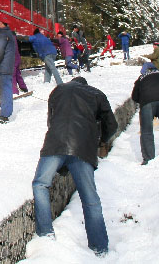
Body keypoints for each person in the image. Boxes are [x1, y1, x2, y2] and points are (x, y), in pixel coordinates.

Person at [32, 76, 118, 255]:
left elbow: (51, 120)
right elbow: (112, 125)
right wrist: (102, 141)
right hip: (83, 148)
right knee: (90, 199)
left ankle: (46, 234)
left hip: (54, 144)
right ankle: (100, 248)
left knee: (40, 184)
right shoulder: (97, 94)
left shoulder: (58, 90)